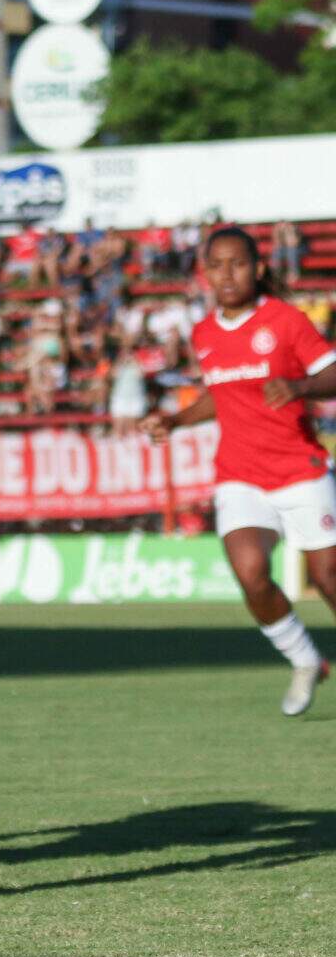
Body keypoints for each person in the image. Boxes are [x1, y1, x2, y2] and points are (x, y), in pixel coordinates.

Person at [143, 227, 336, 716]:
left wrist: (299, 386)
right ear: (205, 272)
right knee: (250, 573)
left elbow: (332, 370)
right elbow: (219, 392)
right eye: (217, 265)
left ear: (259, 269)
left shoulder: (286, 321)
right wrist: (176, 419)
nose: (228, 275)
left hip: (300, 469)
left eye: (239, 264)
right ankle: (305, 659)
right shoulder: (204, 333)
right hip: (240, 473)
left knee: (328, 577)